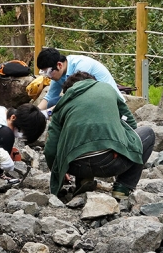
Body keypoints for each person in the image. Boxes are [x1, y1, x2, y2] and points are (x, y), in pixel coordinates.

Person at [44, 71, 155, 199]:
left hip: (75, 166)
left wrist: (58, 172)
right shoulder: (107, 88)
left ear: (69, 90)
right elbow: (131, 124)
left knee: (80, 138)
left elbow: (50, 149)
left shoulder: (62, 103)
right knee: (147, 133)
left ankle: (84, 181)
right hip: (111, 163)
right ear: (92, 81)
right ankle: (122, 187)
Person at [36, 47, 124, 113]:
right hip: (89, 99)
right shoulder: (57, 73)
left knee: (66, 106)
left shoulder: (81, 66)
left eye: (48, 72)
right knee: (52, 102)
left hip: (110, 102)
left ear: (59, 65)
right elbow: (49, 97)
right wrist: (34, 114)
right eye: (44, 73)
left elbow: (76, 98)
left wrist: (48, 112)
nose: (47, 76)